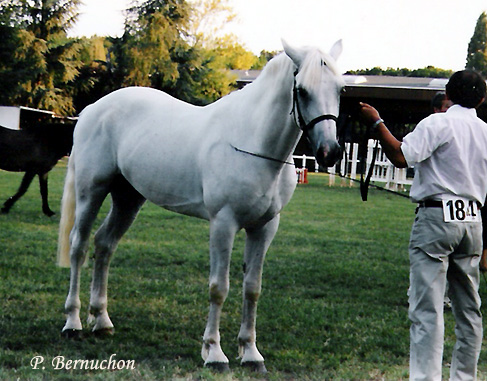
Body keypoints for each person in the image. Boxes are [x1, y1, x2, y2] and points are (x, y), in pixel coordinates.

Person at [359, 70, 487, 381]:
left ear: (449, 95)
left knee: (427, 308)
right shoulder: (485, 131)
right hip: (472, 220)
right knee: (469, 310)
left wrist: (377, 123)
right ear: (482, 99)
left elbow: (402, 156)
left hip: (436, 217)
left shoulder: (438, 122)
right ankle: (464, 377)